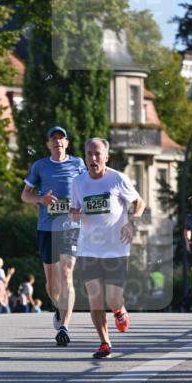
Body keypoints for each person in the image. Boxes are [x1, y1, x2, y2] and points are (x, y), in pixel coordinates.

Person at [70, 138, 145, 359]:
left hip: (116, 249)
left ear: (106, 156)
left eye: (97, 154)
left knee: (112, 299)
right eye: (89, 154)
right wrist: (73, 214)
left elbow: (139, 202)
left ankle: (119, 311)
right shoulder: (78, 182)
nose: (93, 158)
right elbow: (75, 210)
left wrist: (132, 222)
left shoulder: (117, 179)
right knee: (94, 298)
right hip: (88, 249)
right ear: (85, 156)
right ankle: (105, 343)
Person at [21, 126, 86, 346]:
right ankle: (59, 308)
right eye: (53, 139)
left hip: (69, 227)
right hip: (46, 227)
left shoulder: (77, 164)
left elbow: (87, 189)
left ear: (67, 143)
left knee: (67, 272)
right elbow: (25, 196)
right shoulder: (40, 166)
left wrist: (82, 208)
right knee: (51, 285)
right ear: (48, 144)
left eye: (62, 138)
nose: (58, 142)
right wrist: (41, 199)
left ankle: (65, 326)